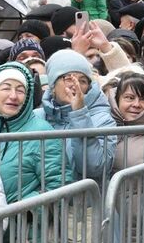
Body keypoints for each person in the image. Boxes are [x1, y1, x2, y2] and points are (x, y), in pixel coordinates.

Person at [0, 61, 68, 201]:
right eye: (6, 88)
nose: (13, 96)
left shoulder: (42, 131)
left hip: (23, 221)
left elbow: (59, 184)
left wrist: (27, 213)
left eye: (20, 90)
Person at [42, 49, 117, 183]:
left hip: (85, 201)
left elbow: (95, 167)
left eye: (82, 81)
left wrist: (79, 113)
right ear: (53, 85)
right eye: (68, 78)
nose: (75, 85)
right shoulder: (38, 116)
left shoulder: (102, 118)